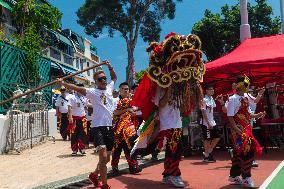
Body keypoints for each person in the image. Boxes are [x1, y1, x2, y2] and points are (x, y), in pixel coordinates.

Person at [57, 60, 116, 189]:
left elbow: (114, 77)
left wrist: (110, 67)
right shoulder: (92, 92)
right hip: (97, 128)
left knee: (106, 160)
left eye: (104, 78)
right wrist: (63, 84)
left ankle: (94, 175)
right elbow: (77, 88)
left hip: (109, 127)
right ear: (96, 82)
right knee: (103, 157)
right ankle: (105, 185)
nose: (104, 80)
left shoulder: (110, 88)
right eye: (100, 79)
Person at [227, 76, 265, 187]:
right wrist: (238, 131)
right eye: (245, 86)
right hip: (239, 130)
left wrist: (257, 115)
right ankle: (246, 177)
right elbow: (230, 117)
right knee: (247, 152)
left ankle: (234, 175)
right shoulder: (232, 99)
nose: (246, 88)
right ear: (239, 86)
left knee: (239, 153)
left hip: (246, 128)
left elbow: (248, 114)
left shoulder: (245, 98)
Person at [111, 82, 142, 175]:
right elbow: (115, 112)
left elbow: (138, 109)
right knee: (117, 149)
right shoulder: (115, 100)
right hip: (118, 128)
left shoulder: (132, 100)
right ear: (119, 90)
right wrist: (126, 110)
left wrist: (134, 111)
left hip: (129, 128)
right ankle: (115, 167)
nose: (126, 90)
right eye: (123, 89)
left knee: (130, 147)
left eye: (127, 89)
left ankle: (133, 166)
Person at [200, 84, 220, 162]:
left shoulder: (211, 99)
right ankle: (207, 156)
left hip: (212, 121)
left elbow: (212, 110)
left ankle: (207, 152)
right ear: (206, 91)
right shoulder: (203, 99)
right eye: (210, 89)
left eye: (213, 89)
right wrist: (208, 123)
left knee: (218, 136)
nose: (212, 90)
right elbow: (203, 112)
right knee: (207, 139)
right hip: (206, 123)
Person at [67, 83, 88, 156]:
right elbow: (70, 107)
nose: (82, 91)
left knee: (83, 134)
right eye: (80, 89)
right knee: (74, 134)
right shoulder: (72, 97)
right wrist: (70, 117)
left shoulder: (84, 97)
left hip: (83, 119)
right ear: (77, 89)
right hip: (75, 119)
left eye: (83, 89)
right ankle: (74, 150)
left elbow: (86, 106)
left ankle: (82, 149)